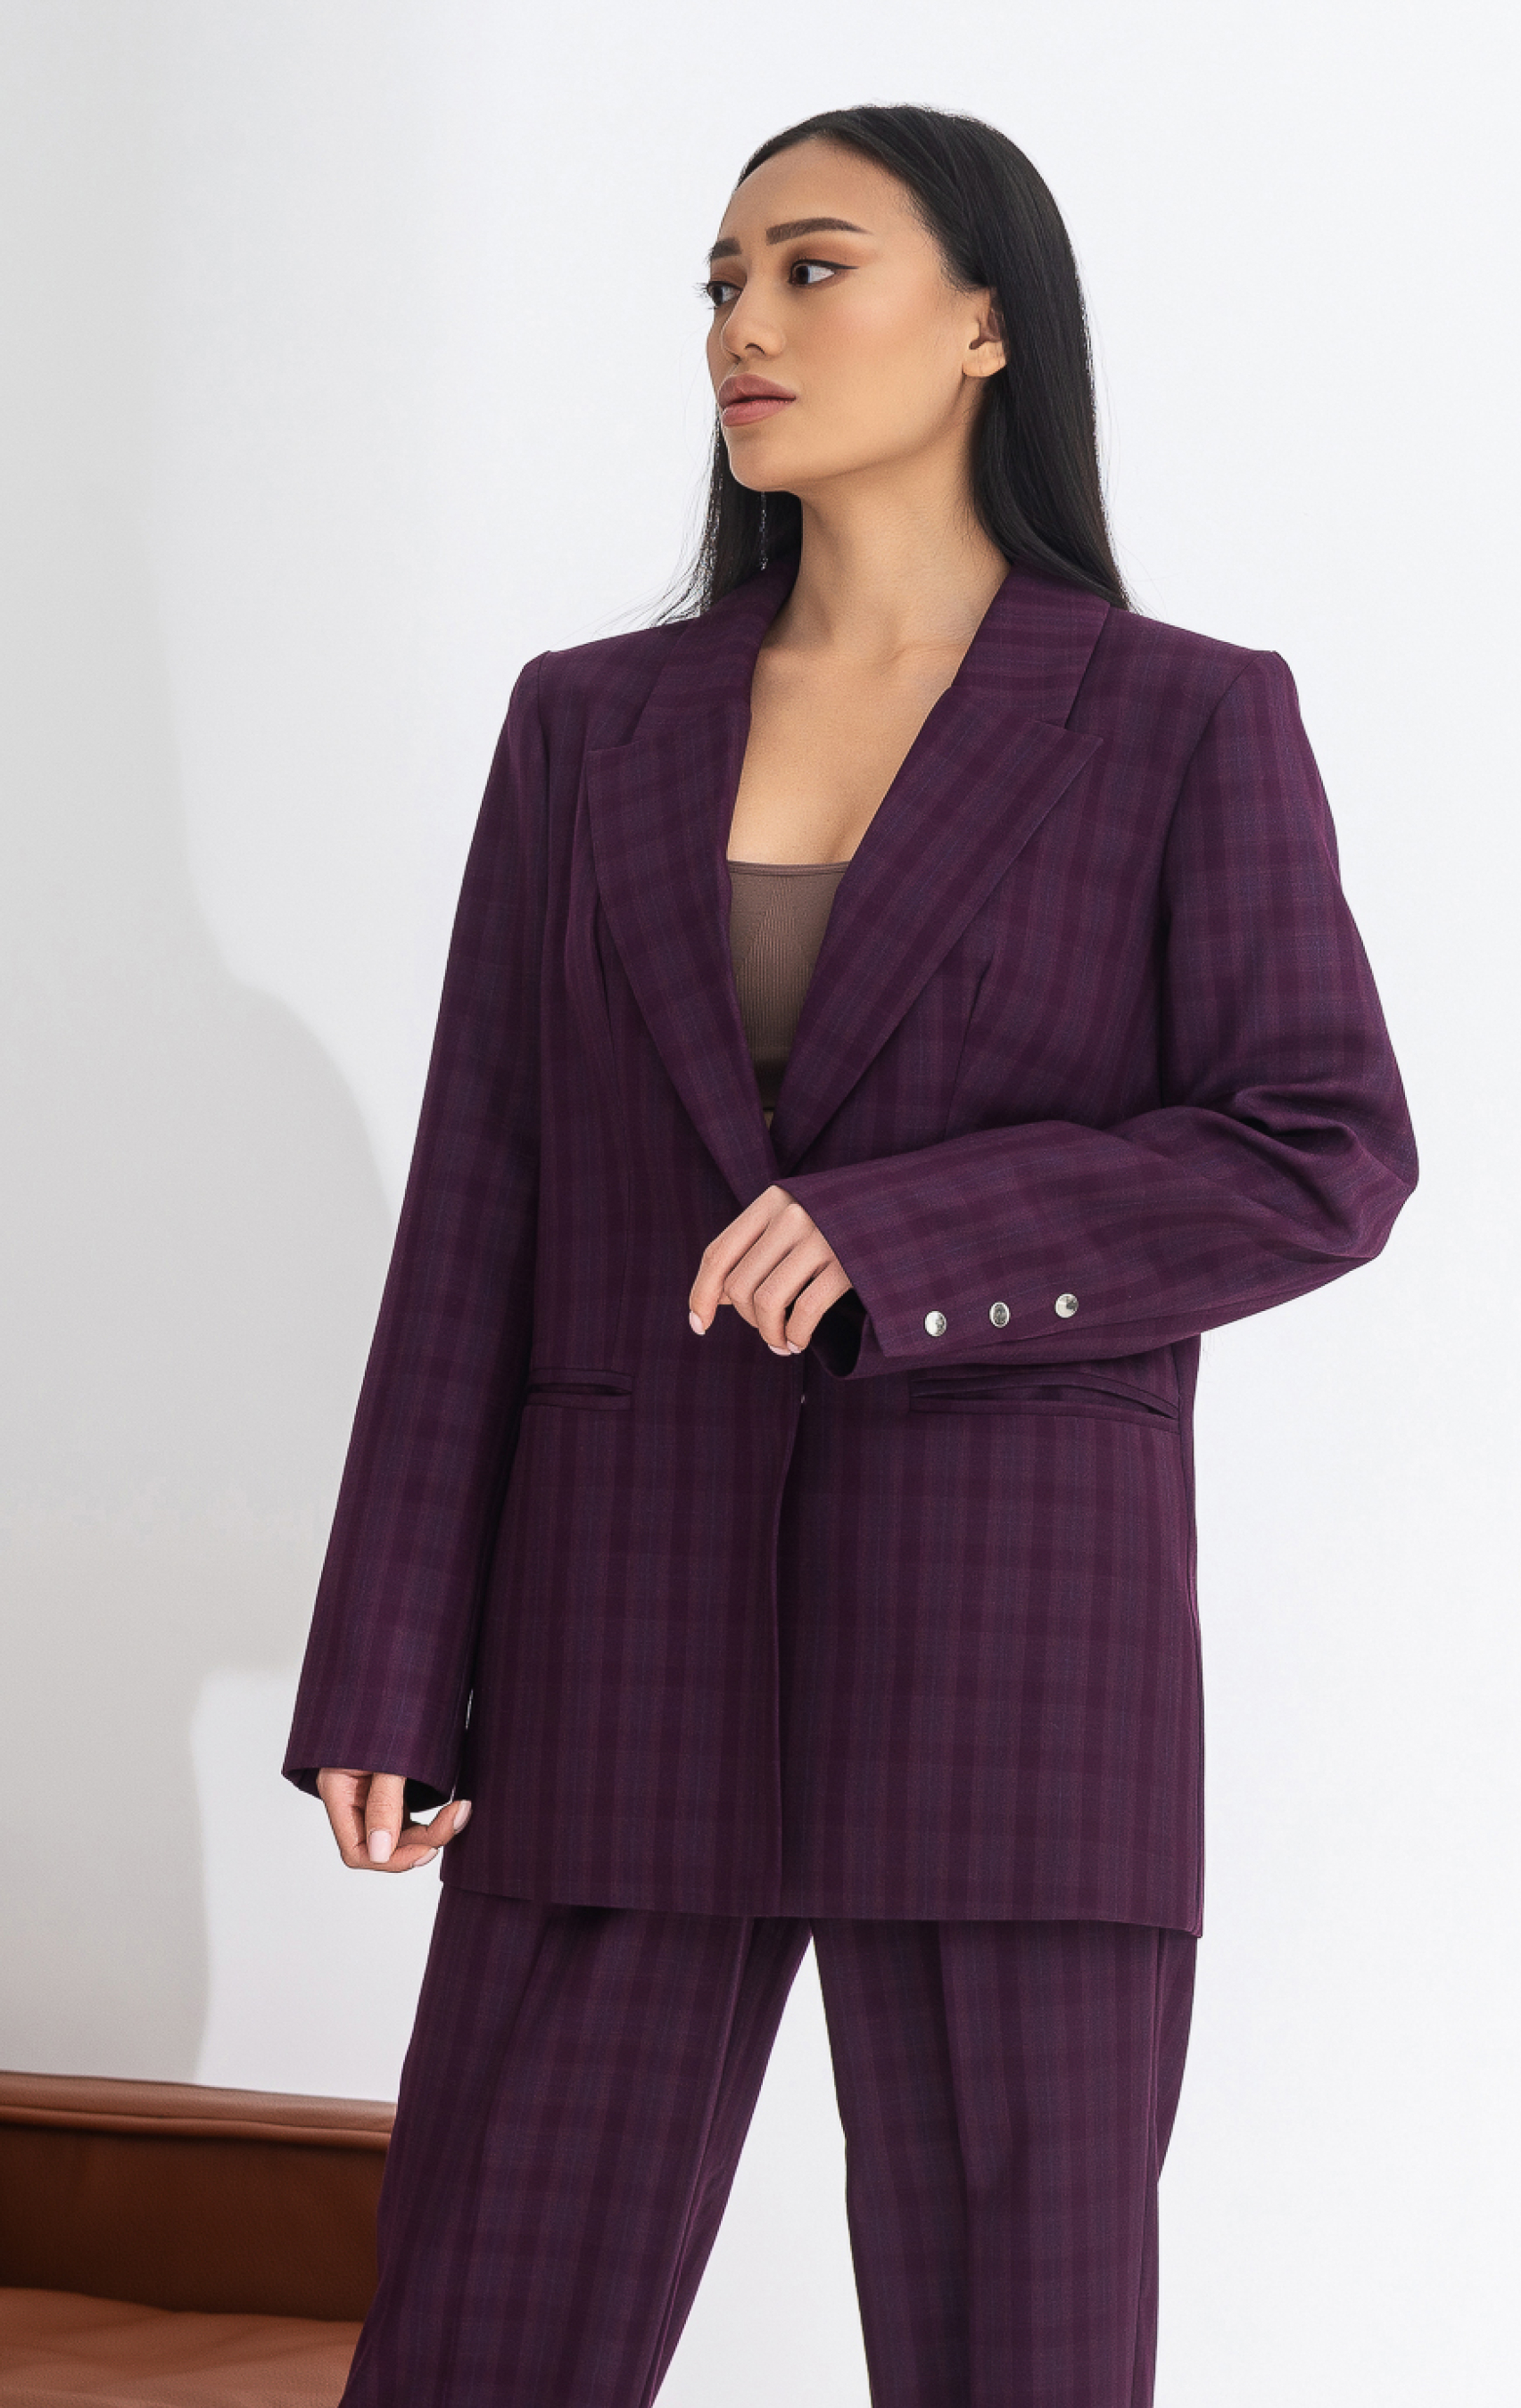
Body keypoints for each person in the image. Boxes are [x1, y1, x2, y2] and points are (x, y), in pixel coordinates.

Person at [282, 102, 1418, 2408]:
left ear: (988, 323)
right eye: (720, 283)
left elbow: (1320, 1147)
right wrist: (389, 1656)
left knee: (1021, 2357)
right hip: (615, 1631)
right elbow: (481, 1195)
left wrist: (908, 1235)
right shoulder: (588, 724)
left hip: (1015, 1648)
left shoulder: (1181, 717)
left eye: (811, 268)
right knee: (482, 2329)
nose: (745, 324)